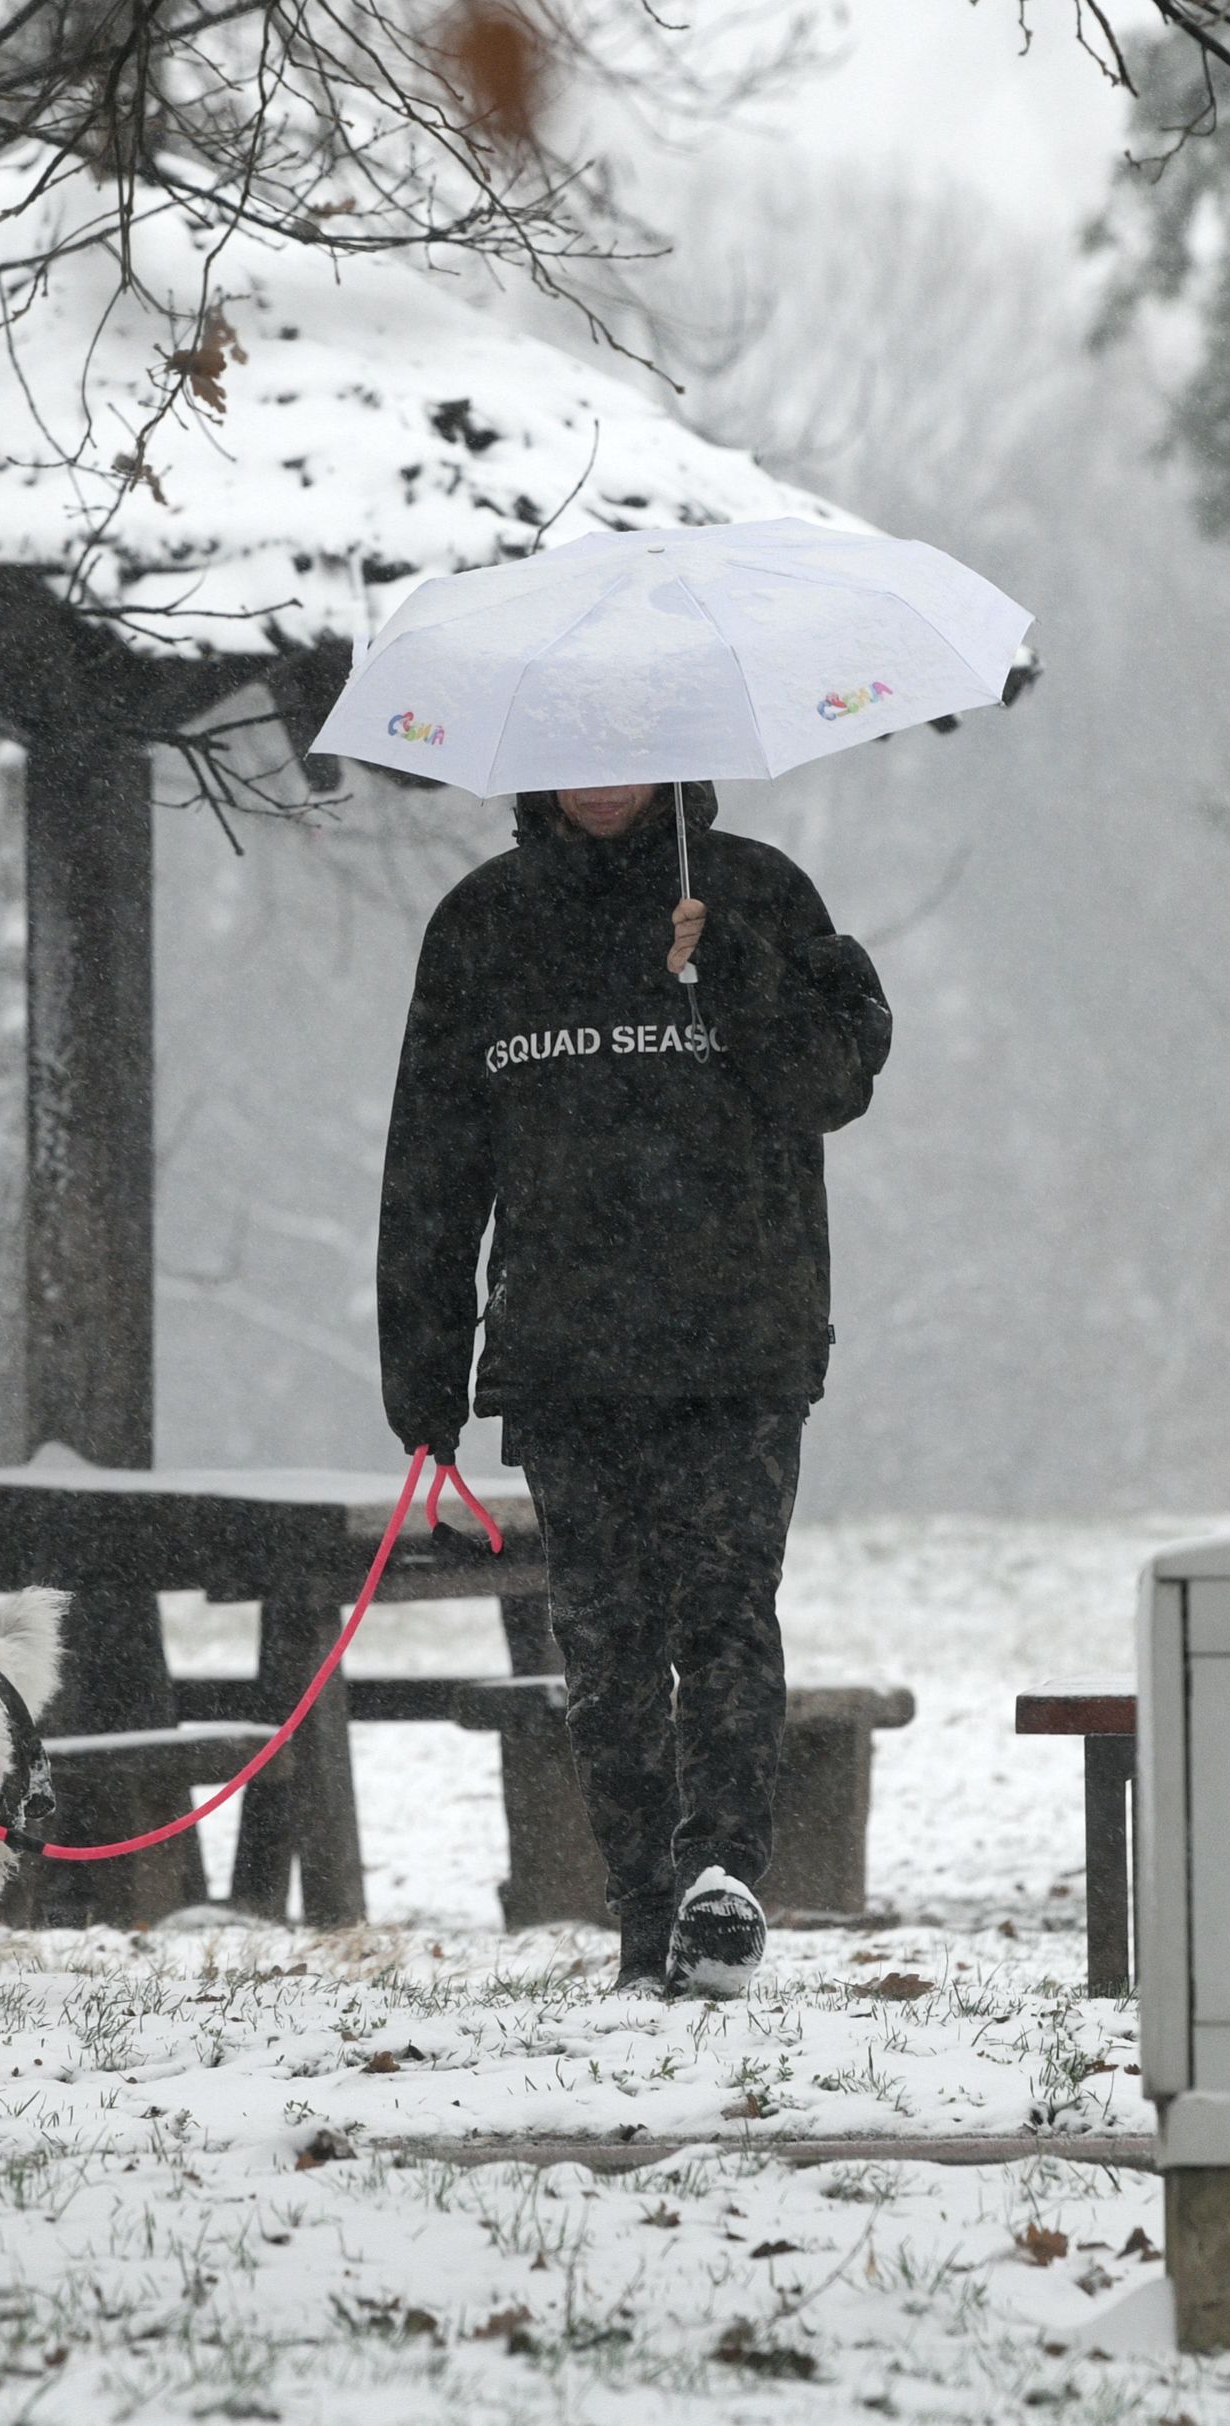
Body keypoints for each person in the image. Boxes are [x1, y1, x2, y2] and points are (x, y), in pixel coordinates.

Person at [377, 781, 891, 1998]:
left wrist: (735, 963)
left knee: (725, 1615)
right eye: (575, 756)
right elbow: (434, 1159)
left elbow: (831, 1082)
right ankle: (644, 1917)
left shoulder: (758, 892)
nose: (600, 780)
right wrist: (423, 1369)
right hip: (568, 1355)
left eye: (626, 756)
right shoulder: (483, 920)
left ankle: (721, 1882)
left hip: (740, 1346)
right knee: (605, 1651)